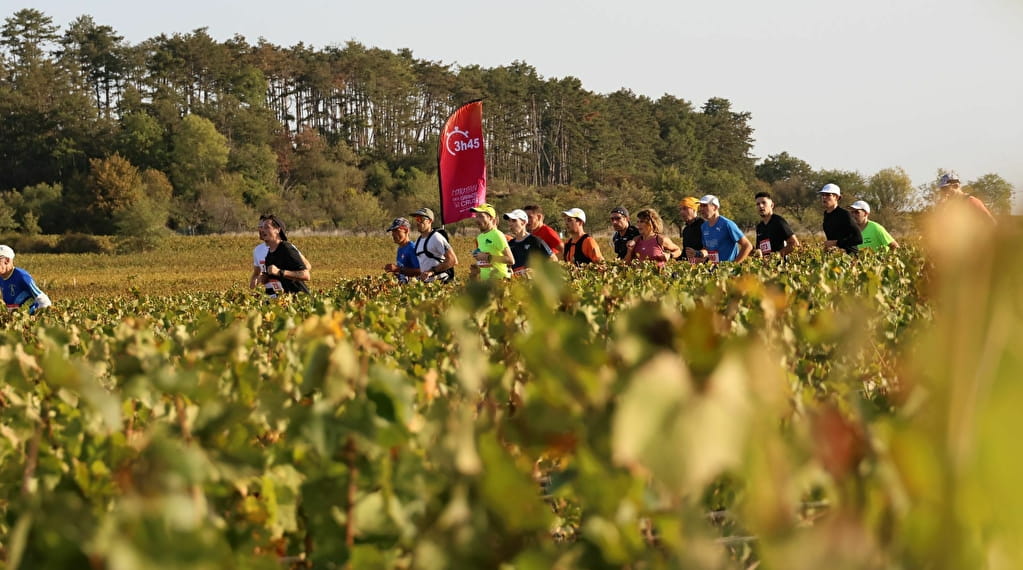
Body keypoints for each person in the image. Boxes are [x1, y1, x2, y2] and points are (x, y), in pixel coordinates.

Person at [250, 214, 312, 289]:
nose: (262, 230)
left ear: (278, 230)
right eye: (260, 227)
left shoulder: (287, 248)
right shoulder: (268, 253)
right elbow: (265, 275)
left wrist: (281, 272)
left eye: (266, 227)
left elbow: (306, 274)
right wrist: (263, 278)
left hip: (300, 297)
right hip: (280, 296)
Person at [695, 195, 753, 263]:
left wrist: (734, 265)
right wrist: (698, 254)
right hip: (712, 269)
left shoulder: (727, 224)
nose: (701, 209)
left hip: (728, 271)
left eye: (705, 206)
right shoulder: (703, 226)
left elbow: (747, 246)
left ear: (715, 207)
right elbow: (706, 248)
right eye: (700, 206)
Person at [409, 207, 458, 282]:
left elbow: (453, 260)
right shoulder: (417, 242)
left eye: (420, 219)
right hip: (426, 286)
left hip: (441, 283)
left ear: (430, 221)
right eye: (416, 219)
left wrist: (432, 271)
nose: (418, 222)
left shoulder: (436, 238)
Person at [0, 245, 51, 315]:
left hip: (30, 318)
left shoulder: (22, 276)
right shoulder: (1, 277)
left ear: (7, 260)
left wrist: (42, 317)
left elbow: (43, 299)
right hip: (14, 320)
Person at [468, 203, 514, 280]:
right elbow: (488, 262)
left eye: (481, 217)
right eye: (476, 216)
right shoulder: (480, 237)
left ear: (491, 219)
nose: (477, 220)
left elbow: (510, 260)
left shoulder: (497, 235)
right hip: (486, 283)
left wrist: (487, 257)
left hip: (500, 282)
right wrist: (477, 266)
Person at [504, 209, 555, 276]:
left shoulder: (535, 240)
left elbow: (553, 260)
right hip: (517, 284)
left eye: (514, 221)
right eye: (509, 221)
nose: (510, 224)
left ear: (523, 222)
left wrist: (536, 272)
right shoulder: (510, 244)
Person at [819, 183, 863, 254]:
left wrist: (836, 243)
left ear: (836, 197)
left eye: (828, 195)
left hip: (850, 257)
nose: (824, 197)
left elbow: (858, 239)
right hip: (835, 256)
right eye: (823, 195)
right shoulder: (826, 214)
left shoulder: (845, 214)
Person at [754, 191, 800, 257]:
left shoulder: (778, 222)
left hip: (779, 266)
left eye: (764, 203)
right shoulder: (759, 227)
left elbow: (794, 244)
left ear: (772, 205)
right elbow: (759, 249)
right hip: (764, 266)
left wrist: (775, 257)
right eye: (758, 204)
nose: (761, 206)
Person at [383, 217, 420, 282]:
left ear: (406, 231)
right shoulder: (400, 248)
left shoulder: (412, 248)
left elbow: (420, 271)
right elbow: (402, 270)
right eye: (393, 231)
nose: (393, 234)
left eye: (397, 230)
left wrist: (398, 269)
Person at [678, 196, 705, 263]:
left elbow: (712, 249)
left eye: (685, 209)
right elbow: (685, 253)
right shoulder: (686, 230)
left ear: (694, 210)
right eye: (680, 209)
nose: (681, 212)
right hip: (690, 267)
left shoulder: (704, 226)